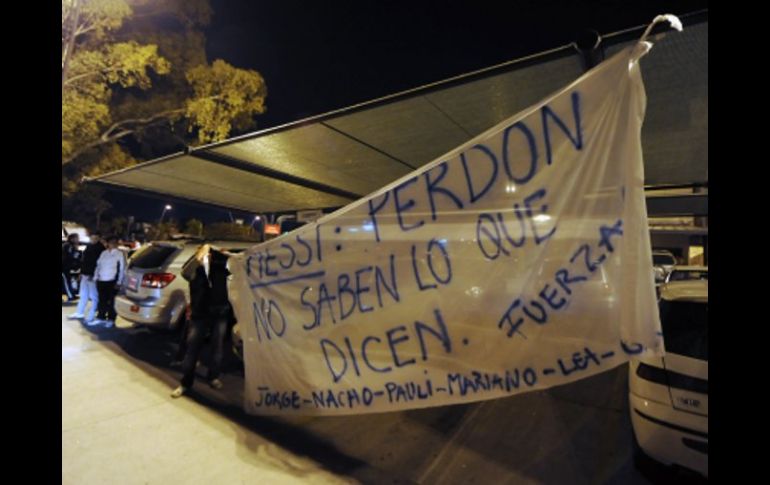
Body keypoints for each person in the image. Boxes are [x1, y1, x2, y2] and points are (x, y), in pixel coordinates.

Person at [171, 244, 234, 398]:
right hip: (199, 314)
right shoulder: (195, 269)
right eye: (205, 253)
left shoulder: (221, 268)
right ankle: (186, 383)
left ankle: (213, 377)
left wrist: (228, 256)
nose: (209, 256)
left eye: (211, 253)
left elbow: (237, 270)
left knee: (217, 349)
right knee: (192, 350)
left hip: (219, 313)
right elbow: (185, 272)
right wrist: (199, 255)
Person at [68, 231, 105, 323]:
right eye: (92, 238)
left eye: (95, 238)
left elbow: (99, 264)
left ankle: (91, 314)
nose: (93, 239)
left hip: (92, 275)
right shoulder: (89, 246)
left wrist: (94, 275)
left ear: (99, 238)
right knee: (83, 294)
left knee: (93, 296)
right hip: (85, 273)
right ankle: (79, 312)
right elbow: (85, 260)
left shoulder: (100, 248)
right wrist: (81, 272)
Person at [93, 235, 126, 328]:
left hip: (112, 281)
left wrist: (119, 282)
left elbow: (122, 268)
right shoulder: (104, 253)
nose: (111, 245)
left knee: (111, 301)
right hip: (101, 280)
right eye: (110, 243)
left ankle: (111, 319)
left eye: (113, 243)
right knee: (102, 300)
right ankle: (101, 317)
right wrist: (96, 277)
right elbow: (98, 265)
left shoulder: (119, 254)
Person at [61, 234, 82, 302]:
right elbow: (71, 256)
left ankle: (71, 294)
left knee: (67, 281)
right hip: (64, 267)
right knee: (66, 281)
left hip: (66, 267)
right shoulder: (68, 246)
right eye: (77, 238)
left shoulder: (70, 246)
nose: (78, 240)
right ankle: (70, 296)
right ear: (72, 239)